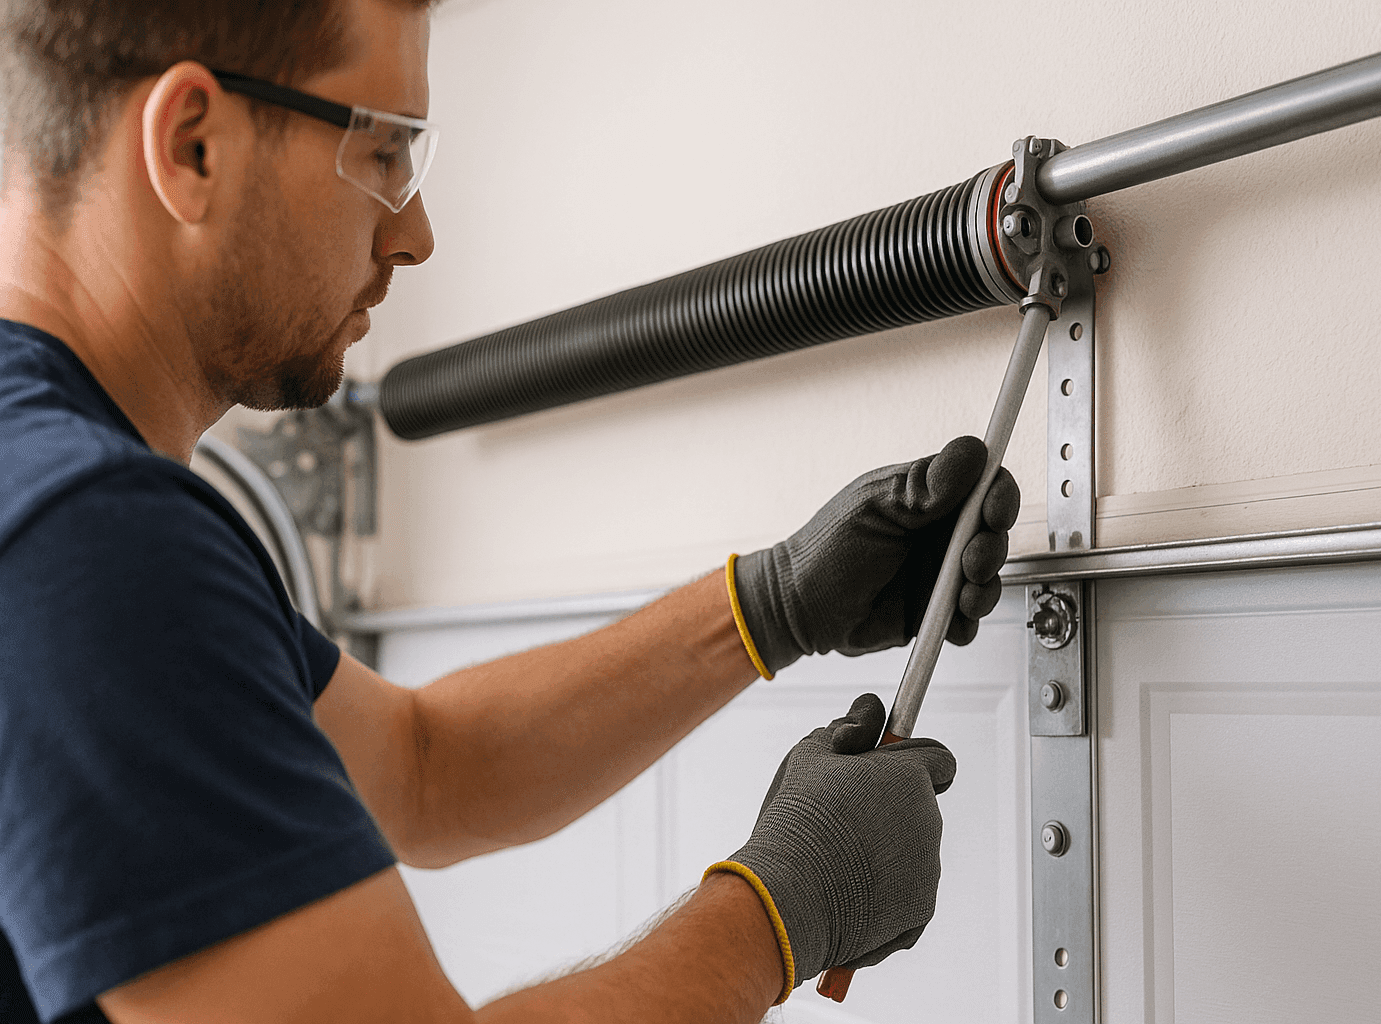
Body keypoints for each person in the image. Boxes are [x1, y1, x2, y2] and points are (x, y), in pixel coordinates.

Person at [0, 2, 1020, 1022]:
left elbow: (424, 768)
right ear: (193, 146)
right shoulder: (84, 537)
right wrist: (785, 902)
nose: (416, 233)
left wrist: (773, 603)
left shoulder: (55, 499)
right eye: (385, 152)